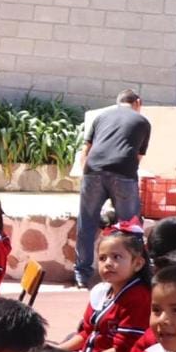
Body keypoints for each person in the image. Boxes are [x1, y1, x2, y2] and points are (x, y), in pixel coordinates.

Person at [75, 90, 150, 289]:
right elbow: (138, 157)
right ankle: (133, 273)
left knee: (87, 222)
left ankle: (82, 274)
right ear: (138, 103)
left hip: (93, 170)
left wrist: (87, 173)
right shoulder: (142, 121)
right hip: (123, 173)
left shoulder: (101, 117)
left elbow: (86, 149)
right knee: (130, 226)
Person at [58, 223, 151, 352]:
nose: (108, 263)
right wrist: (56, 351)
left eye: (116, 257)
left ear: (138, 264)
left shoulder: (138, 298)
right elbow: (86, 333)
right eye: (102, 258)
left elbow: (123, 351)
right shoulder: (103, 291)